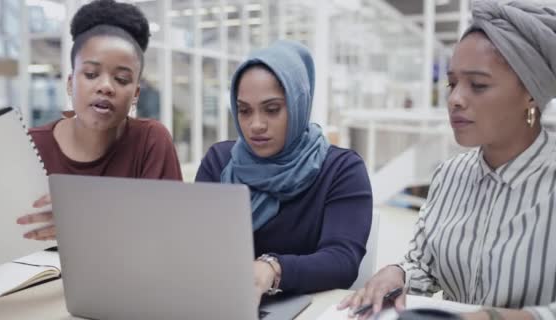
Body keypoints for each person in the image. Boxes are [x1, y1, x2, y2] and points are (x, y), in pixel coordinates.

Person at [339, 1, 556, 319]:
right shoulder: (449, 174)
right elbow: (422, 267)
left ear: (532, 94)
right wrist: (398, 274)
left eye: (478, 85)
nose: (455, 99)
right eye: (452, 84)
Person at [195, 40, 373, 304]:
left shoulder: (341, 170)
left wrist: (273, 269)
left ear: (298, 103)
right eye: (244, 111)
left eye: (272, 109)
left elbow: (342, 260)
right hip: (221, 304)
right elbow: (195, 244)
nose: (255, 125)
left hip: (303, 310)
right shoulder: (220, 162)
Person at [17, 0, 182, 241]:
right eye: (91, 74)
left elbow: (167, 236)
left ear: (136, 93)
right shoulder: (29, 146)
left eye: (122, 79)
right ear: (71, 83)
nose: (105, 87)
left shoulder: (151, 141)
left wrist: (82, 218)